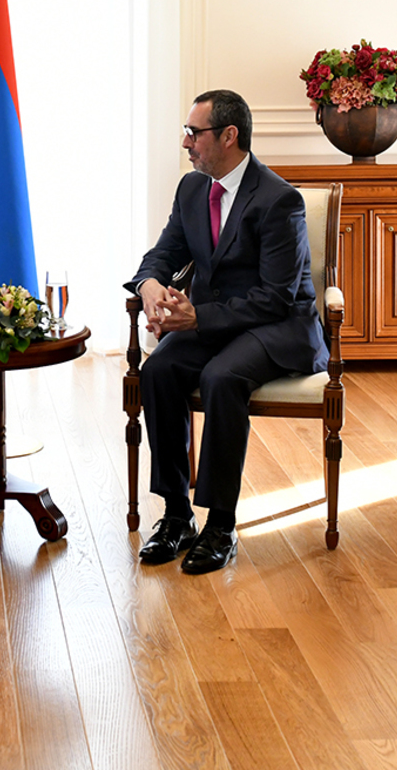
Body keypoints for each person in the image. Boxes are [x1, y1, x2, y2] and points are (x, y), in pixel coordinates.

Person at [126, 89, 326, 574]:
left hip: (279, 327)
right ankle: (177, 516)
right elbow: (165, 252)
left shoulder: (279, 200)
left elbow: (276, 297)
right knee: (160, 370)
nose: (186, 143)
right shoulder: (192, 189)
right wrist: (150, 285)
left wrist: (197, 317)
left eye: (194, 133)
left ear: (229, 135)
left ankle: (220, 524)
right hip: (217, 321)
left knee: (221, 376)